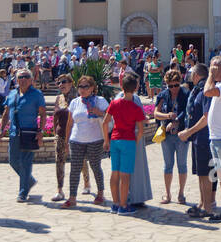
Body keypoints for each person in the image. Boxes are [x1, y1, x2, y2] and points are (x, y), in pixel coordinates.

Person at [179, 55, 221, 228]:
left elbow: (207, 91)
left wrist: (209, 74)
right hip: (216, 137)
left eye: (215, 67)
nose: (212, 70)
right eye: (211, 68)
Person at [61, 75, 108, 208]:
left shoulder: (100, 101)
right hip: (76, 140)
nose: (82, 89)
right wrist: (66, 141)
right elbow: (70, 123)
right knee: (74, 169)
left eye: (85, 86)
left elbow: (109, 118)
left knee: (95, 167)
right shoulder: (75, 102)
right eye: (80, 86)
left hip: (95, 139)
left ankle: (100, 193)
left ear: (92, 88)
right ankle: (72, 197)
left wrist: (98, 112)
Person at [104, 73, 148, 215]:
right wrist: (136, 141)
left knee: (114, 172)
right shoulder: (135, 108)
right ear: (135, 89)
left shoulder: (114, 103)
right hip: (128, 140)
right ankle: (124, 205)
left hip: (115, 139)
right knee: (125, 175)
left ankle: (115, 204)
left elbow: (105, 122)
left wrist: (106, 140)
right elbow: (140, 130)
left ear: (122, 86)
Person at [0, 68, 45, 202]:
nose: (22, 79)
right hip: (14, 133)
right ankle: (29, 180)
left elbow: (42, 114)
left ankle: (23, 192)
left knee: (25, 163)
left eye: (25, 77)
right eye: (20, 77)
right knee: (13, 161)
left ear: (31, 80)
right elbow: (6, 113)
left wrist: (40, 131)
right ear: (16, 80)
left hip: (29, 132)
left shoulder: (36, 94)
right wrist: (2, 130)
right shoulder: (12, 93)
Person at [180, 63, 216, 219]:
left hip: (204, 138)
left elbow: (206, 117)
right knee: (201, 174)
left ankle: (208, 208)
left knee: (207, 174)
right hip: (197, 138)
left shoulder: (204, 91)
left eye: (191, 74)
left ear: (196, 75)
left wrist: (189, 131)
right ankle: (203, 203)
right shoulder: (197, 90)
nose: (189, 76)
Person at [155, 69, 190, 204]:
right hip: (167, 135)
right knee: (168, 165)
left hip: (182, 134)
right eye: (170, 86)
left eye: (176, 85)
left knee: (182, 164)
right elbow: (156, 113)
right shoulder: (163, 95)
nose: (173, 88)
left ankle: (181, 193)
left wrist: (176, 121)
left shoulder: (186, 94)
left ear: (180, 83)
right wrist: (168, 117)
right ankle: (167, 193)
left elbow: (187, 111)